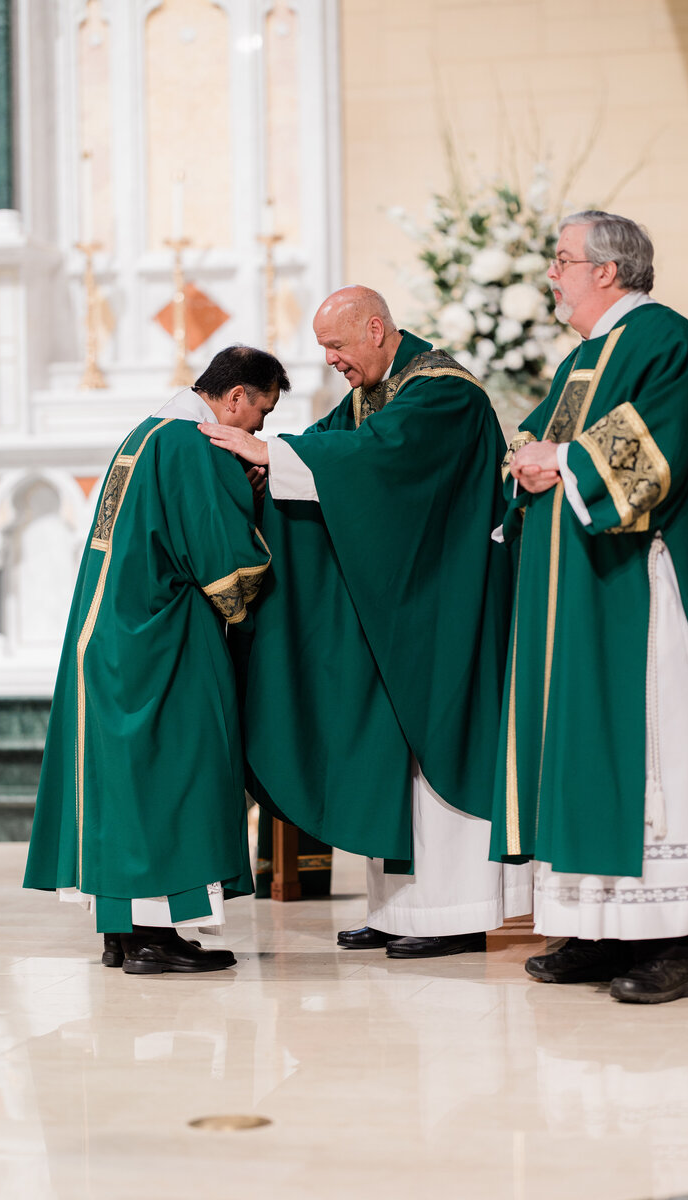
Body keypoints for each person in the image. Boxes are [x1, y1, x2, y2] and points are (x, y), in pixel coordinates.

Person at [200, 287, 531, 958]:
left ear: (376, 329)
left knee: (437, 744)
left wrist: (274, 457)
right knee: (391, 750)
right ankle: (401, 910)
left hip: (449, 606)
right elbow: (327, 447)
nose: (331, 362)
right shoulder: (377, 393)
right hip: (408, 605)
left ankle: (454, 913)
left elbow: (380, 461)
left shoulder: (443, 393)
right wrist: (264, 464)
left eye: (339, 346)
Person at [491, 211, 688, 1003]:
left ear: (608, 270)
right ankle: (600, 930)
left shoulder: (663, 340)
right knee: (585, 747)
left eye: (562, 260)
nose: (553, 274)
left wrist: (560, 459)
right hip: (579, 594)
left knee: (649, 749)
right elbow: (538, 447)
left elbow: (652, 456)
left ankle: (673, 944)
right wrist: (528, 461)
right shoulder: (585, 358)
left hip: (639, 589)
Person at [24, 346, 290, 974]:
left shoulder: (145, 435)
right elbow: (224, 559)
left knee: (129, 785)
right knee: (171, 776)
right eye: (260, 413)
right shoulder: (191, 444)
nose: (258, 431)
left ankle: (124, 931)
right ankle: (153, 938)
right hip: (158, 639)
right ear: (233, 398)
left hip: (114, 636)